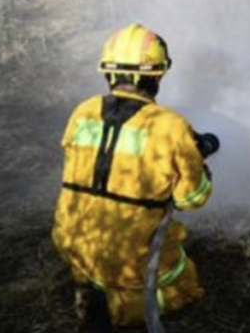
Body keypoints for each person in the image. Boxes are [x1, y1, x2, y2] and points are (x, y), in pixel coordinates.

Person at [52, 23, 217, 331]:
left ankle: (93, 290)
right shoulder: (171, 126)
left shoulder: (82, 111)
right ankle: (131, 308)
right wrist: (197, 164)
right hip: (132, 262)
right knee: (182, 279)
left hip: (74, 248)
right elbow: (192, 199)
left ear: (108, 73)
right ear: (157, 76)